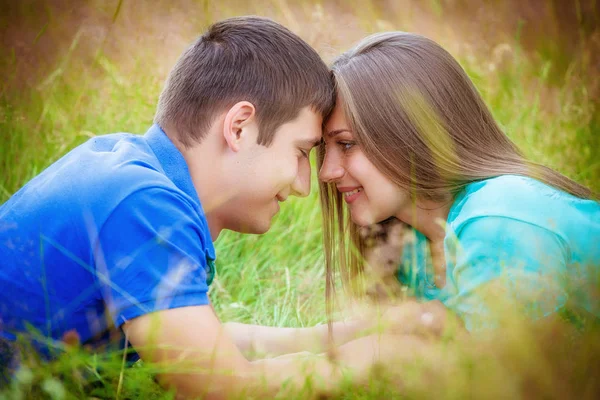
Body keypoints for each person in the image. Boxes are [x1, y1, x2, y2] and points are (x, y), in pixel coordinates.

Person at [0, 18, 438, 398]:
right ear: (240, 127)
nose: (306, 184)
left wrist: (341, 335)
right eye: (302, 152)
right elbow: (216, 384)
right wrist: (365, 362)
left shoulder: (129, 171)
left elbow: (203, 345)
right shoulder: (143, 204)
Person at [318, 31, 600, 332]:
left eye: (346, 144)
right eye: (324, 149)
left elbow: (487, 369)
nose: (326, 172)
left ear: (412, 135)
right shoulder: (408, 245)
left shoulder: (499, 218)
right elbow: (396, 341)